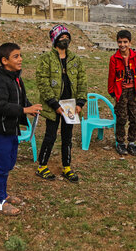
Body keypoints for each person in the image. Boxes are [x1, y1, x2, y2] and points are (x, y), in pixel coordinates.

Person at [0, 43, 43, 216]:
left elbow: (21, 99)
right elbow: (0, 105)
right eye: (16, 56)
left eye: (20, 55)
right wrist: (24, 110)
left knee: (9, 163)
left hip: (11, 131)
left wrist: (30, 107)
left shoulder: (16, 78)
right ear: (4, 61)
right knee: (1, 167)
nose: (21, 59)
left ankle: (3, 194)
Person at [35, 25, 87, 182]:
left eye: (67, 37)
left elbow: (82, 81)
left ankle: (67, 167)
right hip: (53, 106)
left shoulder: (75, 60)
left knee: (67, 137)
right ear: (55, 40)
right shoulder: (46, 60)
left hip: (70, 105)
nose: (65, 40)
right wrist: (54, 104)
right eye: (61, 37)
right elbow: (42, 83)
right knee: (50, 136)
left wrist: (80, 102)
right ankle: (42, 166)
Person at [107, 29, 136, 156]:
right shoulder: (114, 58)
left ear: (130, 43)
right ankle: (121, 143)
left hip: (133, 91)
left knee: (134, 118)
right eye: (120, 42)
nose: (122, 45)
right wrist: (112, 93)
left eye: (125, 42)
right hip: (120, 92)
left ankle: (132, 143)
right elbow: (111, 76)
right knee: (121, 118)